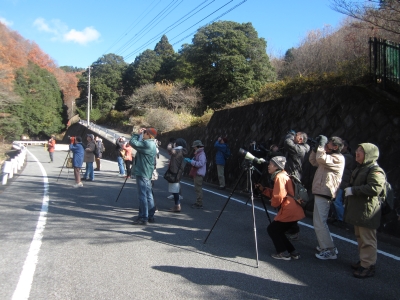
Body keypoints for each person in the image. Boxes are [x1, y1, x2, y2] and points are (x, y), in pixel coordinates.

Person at [344, 143, 386, 278]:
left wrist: (353, 190)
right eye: (357, 150)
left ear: (369, 154)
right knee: (360, 237)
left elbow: (376, 188)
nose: (357, 152)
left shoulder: (374, 169)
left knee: (367, 239)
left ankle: (368, 265)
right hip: (360, 209)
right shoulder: (362, 168)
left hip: (368, 211)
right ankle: (364, 260)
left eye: (361, 151)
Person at [255, 156, 305, 260]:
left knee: (272, 229)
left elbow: (278, 196)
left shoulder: (279, 177)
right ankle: (293, 252)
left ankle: (283, 253)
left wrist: (273, 203)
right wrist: (264, 190)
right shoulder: (284, 174)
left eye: (271, 164)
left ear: (276, 166)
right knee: (278, 231)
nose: (268, 166)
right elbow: (279, 193)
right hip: (295, 209)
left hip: (288, 209)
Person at [309, 135, 345, 260]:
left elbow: (321, 158)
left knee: (320, 222)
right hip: (320, 191)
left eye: (329, 143)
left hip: (325, 192)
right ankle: (326, 245)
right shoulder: (328, 156)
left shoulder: (338, 158)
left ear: (335, 147)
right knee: (319, 221)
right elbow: (314, 161)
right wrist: (315, 149)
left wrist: (320, 147)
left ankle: (329, 250)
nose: (326, 145)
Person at [129, 127, 158, 225]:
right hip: (147, 172)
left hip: (142, 171)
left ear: (149, 135)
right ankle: (150, 215)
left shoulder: (147, 144)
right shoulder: (152, 144)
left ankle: (143, 217)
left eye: (145, 132)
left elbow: (133, 143)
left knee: (142, 196)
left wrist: (137, 134)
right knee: (149, 195)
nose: (143, 134)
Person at [331, 139, 355, 225]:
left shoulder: (348, 157)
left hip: (342, 182)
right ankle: (337, 217)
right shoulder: (343, 156)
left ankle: (341, 219)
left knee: (337, 201)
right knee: (333, 201)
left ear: (346, 147)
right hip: (337, 181)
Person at [166, 138, 188, 212]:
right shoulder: (182, 151)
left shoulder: (178, 151)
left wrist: (170, 145)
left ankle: (177, 205)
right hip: (178, 172)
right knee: (175, 189)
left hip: (174, 172)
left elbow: (170, 150)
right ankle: (177, 205)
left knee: (175, 190)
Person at [185, 140, 207, 209]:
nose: (194, 148)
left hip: (199, 173)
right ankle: (198, 202)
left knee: (198, 188)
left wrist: (192, 161)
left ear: (197, 147)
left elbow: (200, 164)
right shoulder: (199, 153)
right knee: (197, 188)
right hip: (198, 173)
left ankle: (199, 203)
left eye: (194, 147)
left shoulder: (201, 154)